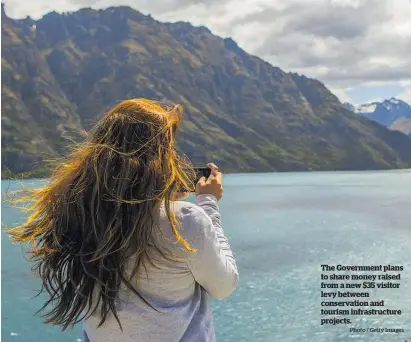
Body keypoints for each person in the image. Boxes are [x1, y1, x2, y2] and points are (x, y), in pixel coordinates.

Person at [7, 98, 239, 342]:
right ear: (158, 157)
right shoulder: (185, 221)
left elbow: (125, 211)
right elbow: (224, 285)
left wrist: (155, 197)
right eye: (168, 149)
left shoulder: (79, 215)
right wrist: (209, 203)